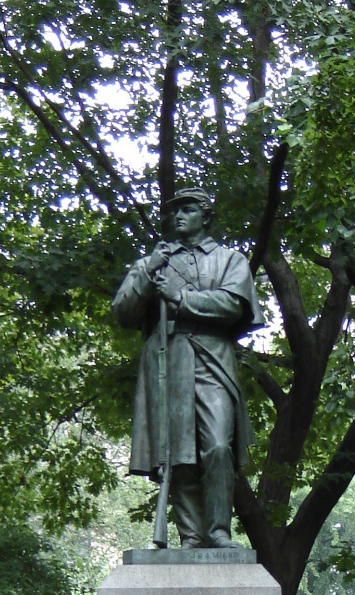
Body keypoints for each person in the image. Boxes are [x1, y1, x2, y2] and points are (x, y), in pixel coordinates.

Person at [113, 188, 263, 549]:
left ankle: (218, 531)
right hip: (169, 356)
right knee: (176, 454)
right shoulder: (155, 261)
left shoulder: (230, 260)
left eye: (188, 209)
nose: (178, 216)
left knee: (217, 446)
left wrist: (181, 298)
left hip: (212, 356)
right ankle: (192, 537)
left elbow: (232, 305)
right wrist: (147, 272)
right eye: (174, 211)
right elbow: (123, 311)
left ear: (206, 216)